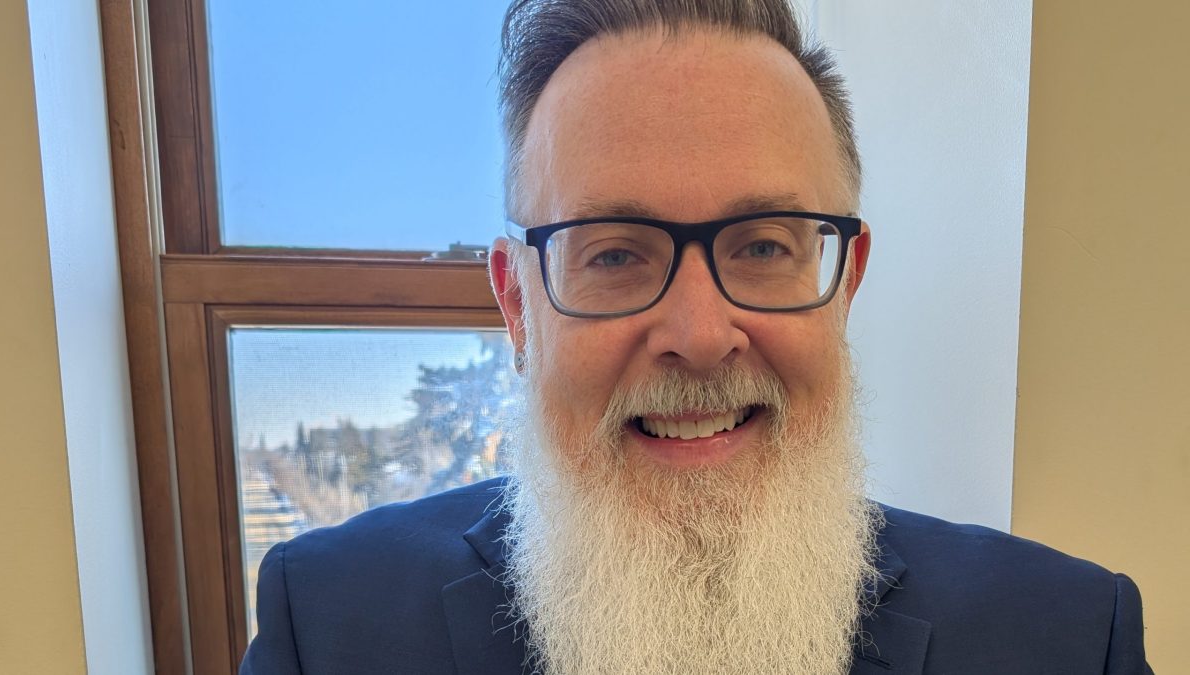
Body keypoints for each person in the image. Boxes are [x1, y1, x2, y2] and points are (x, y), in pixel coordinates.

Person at [241, 1, 1151, 673]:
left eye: (762, 246)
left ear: (845, 285)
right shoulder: (327, 624)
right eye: (615, 255)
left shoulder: (1068, 636)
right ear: (519, 307)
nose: (701, 333)